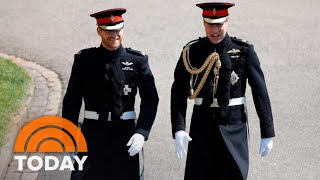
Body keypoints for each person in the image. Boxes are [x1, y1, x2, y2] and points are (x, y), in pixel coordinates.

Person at [171, 2, 275, 180]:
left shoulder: (244, 51)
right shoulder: (192, 51)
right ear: (203, 23)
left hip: (233, 125)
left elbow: (260, 92)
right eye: (210, 24)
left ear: (227, 21)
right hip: (202, 126)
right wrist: (179, 128)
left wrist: (267, 132)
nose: (215, 30)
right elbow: (179, 91)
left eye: (219, 24)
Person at [62, 8, 159, 180]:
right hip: (92, 134)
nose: (113, 35)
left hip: (125, 135)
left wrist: (142, 132)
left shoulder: (137, 60)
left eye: (117, 30)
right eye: (108, 31)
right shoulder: (85, 60)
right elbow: (72, 99)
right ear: (99, 31)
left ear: (123, 29)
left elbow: (151, 98)